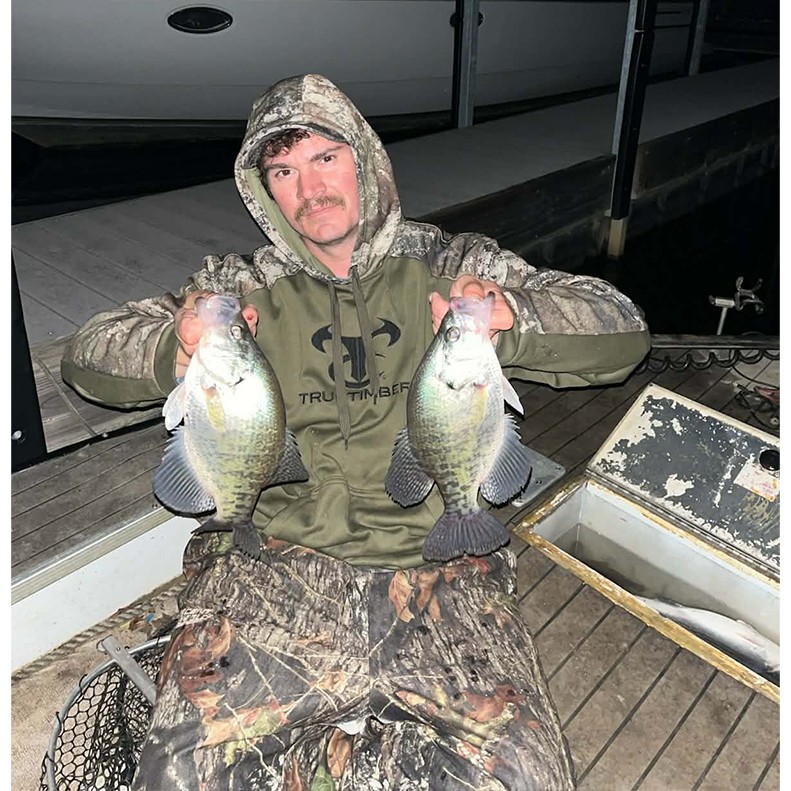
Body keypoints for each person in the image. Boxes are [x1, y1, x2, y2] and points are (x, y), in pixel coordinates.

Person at [62, 73, 650, 790]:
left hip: (439, 567)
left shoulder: (453, 262)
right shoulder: (234, 283)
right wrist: (175, 344)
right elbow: (89, 353)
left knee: (523, 778)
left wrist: (511, 314)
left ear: (365, 162)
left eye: (324, 159)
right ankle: (355, 764)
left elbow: (619, 327)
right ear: (263, 191)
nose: (307, 188)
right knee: (177, 775)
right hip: (270, 568)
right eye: (282, 170)